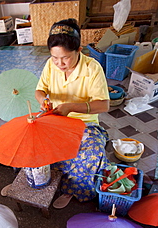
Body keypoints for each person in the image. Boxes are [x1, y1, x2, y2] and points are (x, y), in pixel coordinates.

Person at [35, 18, 110, 208]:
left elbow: (104, 105)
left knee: (92, 153)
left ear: (79, 50)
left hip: (85, 124)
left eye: (65, 58)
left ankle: (71, 190)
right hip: (55, 120)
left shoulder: (92, 69)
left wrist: (71, 107)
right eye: (54, 57)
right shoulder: (51, 65)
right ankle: (35, 182)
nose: (59, 63)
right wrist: (43, 100)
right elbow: (39, 90)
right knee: (33, 143)